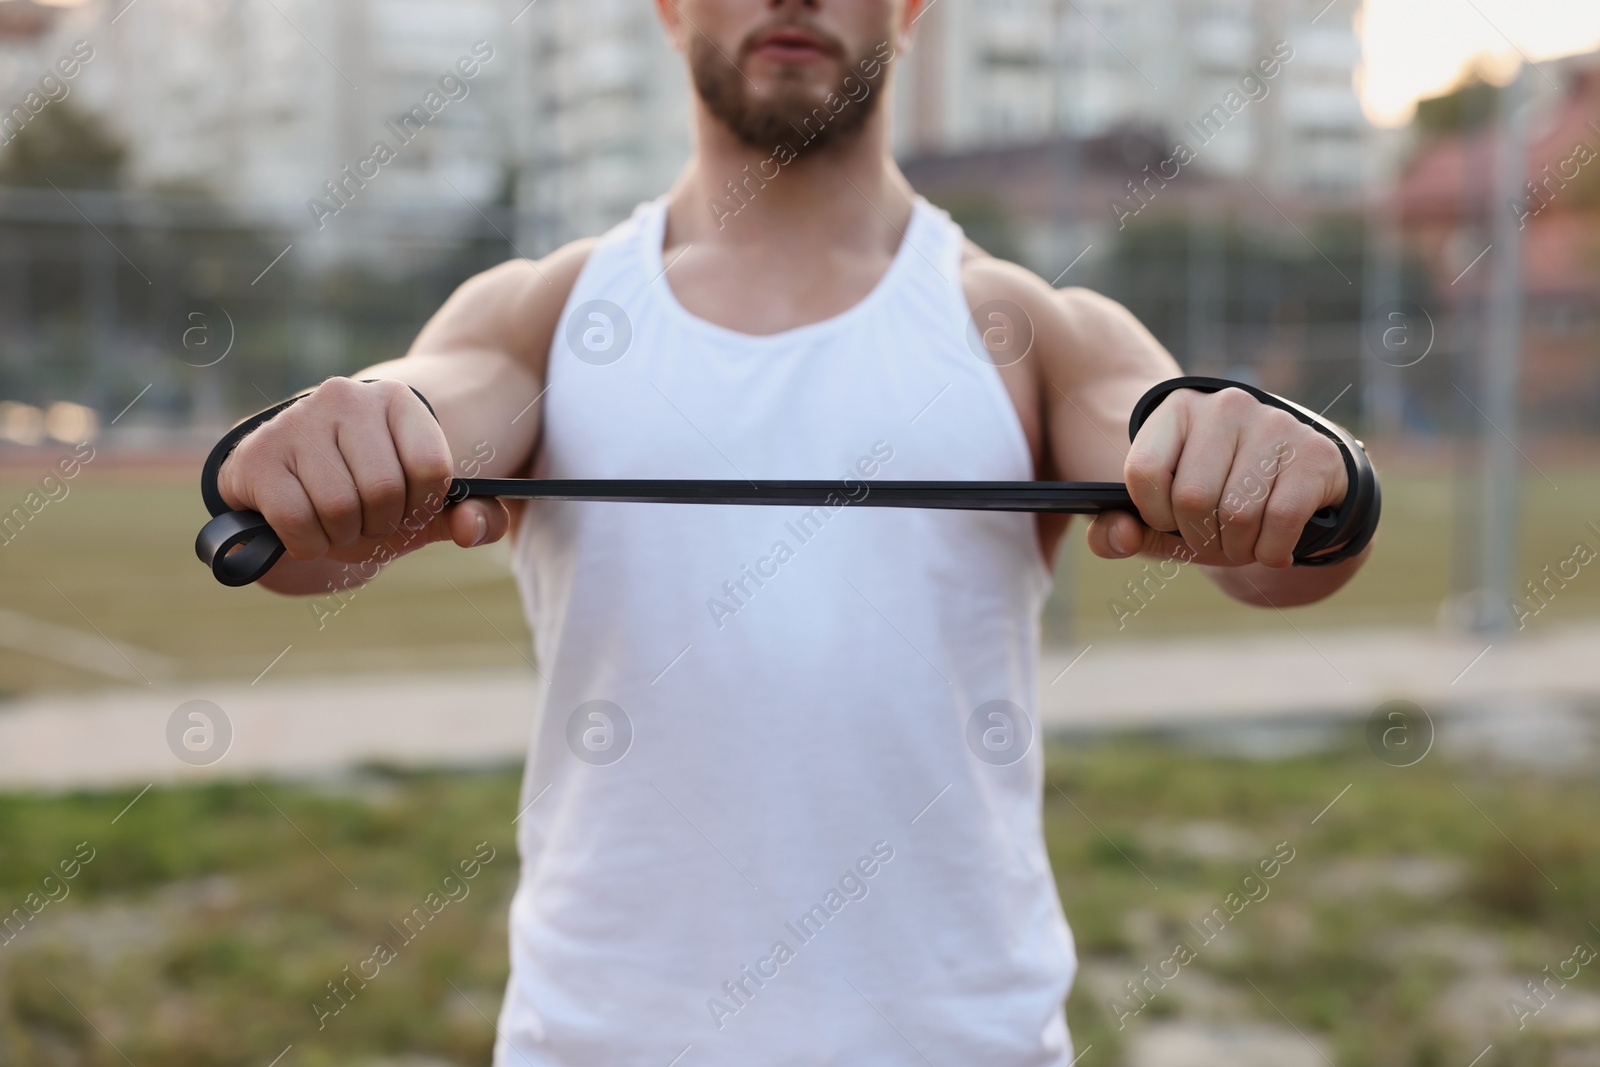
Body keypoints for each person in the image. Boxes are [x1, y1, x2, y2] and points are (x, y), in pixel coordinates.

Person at [215, 0, 1373, 1062]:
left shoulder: (1025, 322)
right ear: (668, 8)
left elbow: (1246, 530)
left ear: (911, 11)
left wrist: (1264, 462)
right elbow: (387, 454)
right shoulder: (546, 310)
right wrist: (350, 438)